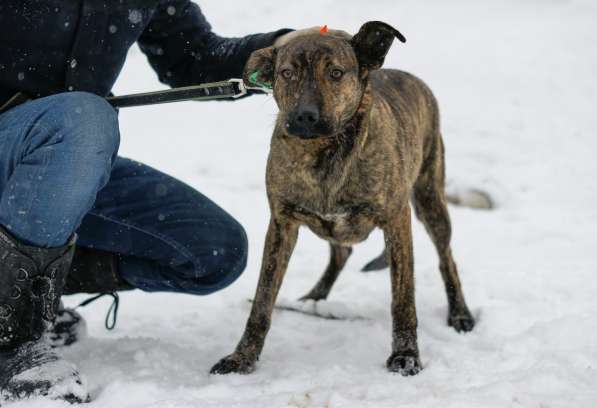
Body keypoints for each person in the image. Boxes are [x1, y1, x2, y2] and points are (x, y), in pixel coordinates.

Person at [0, 1, 293, 403]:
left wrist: (283, 47)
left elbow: (194, 56)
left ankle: (27, 295)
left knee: (211, 249)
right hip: (27, 141)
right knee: (84, 118)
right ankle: (10, 337)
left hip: (61, 167)